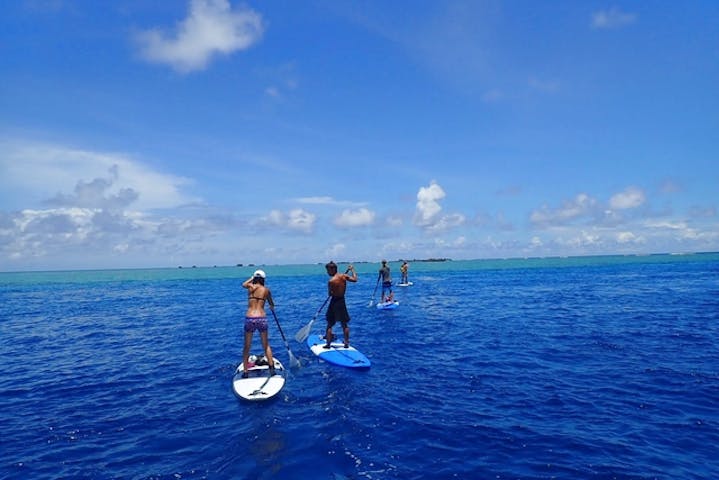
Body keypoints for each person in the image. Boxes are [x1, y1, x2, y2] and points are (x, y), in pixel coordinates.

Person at [241, 269, 276, 378]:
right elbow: (271, 304)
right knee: (266, 345)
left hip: (250, 318)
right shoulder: (266, 290)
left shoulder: (251, 288)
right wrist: (271, 306)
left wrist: (252, 278)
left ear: (255, 278)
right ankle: (272, 370)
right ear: (263, 279)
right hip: (261, 318)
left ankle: (246, 372)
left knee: (247, 346)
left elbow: (244, 284)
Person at [324, 261, 357, 349]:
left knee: (330, 324)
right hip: (342, 301)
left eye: (328, 270)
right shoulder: (344, 276)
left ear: (333, 269)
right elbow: (355, 279)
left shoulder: (331, 281)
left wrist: (332, 291)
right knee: (344, 324)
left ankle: (328, 344)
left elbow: (330, 294)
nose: (327, 272)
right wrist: (352, 270)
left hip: (334, 302)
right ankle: (346, 343)